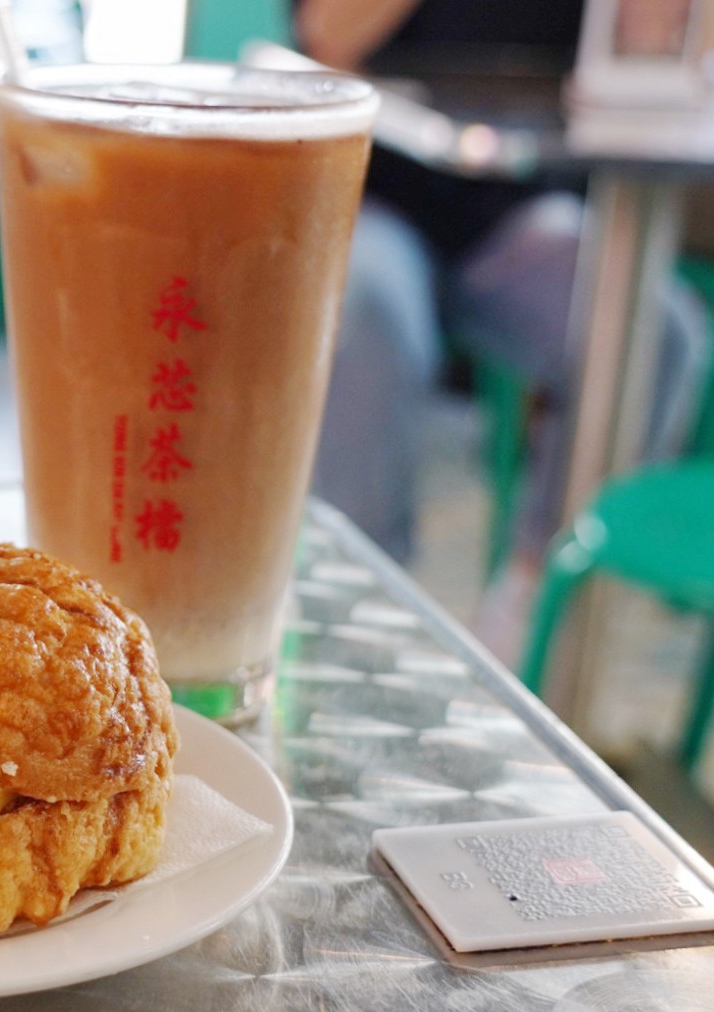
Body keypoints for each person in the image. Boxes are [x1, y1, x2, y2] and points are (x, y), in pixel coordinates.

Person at [298, 0, 708, 661]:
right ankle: (353, 623)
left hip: (513, 204)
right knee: (366, 317)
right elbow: (327, 35)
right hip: (375, 188)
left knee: (658, 333)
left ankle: (535, 614)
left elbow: (660, 56)